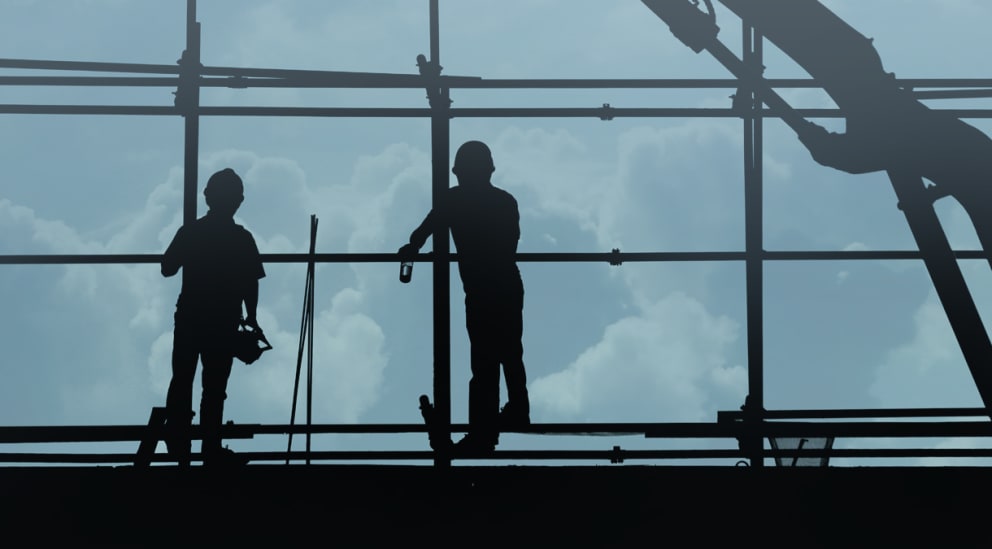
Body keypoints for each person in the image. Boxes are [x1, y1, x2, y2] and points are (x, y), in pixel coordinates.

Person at [399, 140, 530, 455]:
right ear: (489, 171)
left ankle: (484, 433)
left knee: (485, 360)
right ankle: (515, 411)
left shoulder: (454, 200)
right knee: (509, 352)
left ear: (460, 172)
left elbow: (425, 230)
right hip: (506, 285)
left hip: (483, 289)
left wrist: (411, 248)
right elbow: (510, 243)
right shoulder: (503, 201)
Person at [161, 168, 266, 466]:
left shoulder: (191, 232)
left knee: (182, 379)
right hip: (223, 320)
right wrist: (252, 317)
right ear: (239, 201)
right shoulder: (242, 238)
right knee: (215, 387)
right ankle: (210, 447)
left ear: (207, 197)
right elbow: (251, 282)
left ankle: (178, 446)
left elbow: (167, 267)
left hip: (191, 316)